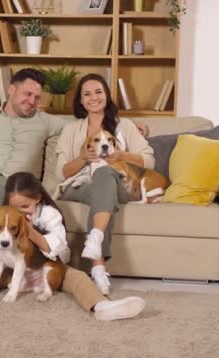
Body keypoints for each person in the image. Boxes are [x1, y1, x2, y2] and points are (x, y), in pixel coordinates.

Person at [0, 68, 149, 286]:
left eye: (37, 97)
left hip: (4, 180)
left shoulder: (46, 121)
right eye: (27, 95)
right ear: (11, 90)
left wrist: (129, 125)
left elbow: (87, 123)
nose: (32, 101)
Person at [0, 172, 145, 321]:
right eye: (14, 207)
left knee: (78, 277)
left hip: (48, 270)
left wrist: (31, 233)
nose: (20, 212)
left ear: (38, 199)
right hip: (13, 271)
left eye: (26, 207)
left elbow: (59, 248)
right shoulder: (4, 216)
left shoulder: (49, 215)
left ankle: (102, 306)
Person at [55, 73, 155, 295]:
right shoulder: (71, 130)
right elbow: (61, 172)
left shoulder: (125, 126)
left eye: (98, 92)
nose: (93, 98)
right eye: (87, 94)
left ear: (107, 96)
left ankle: (96, 248)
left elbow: (149, 159)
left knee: (104, 176)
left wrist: (121, 154)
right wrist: (83, 158)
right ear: (80, 101)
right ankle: (98, 265)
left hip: (118, 184)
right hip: (78, 186)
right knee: (103, 196)